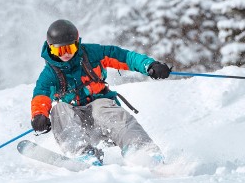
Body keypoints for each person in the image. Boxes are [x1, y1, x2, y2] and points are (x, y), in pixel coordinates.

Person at [30, 19, 171, 167]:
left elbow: (124, 57)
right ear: (51, 48)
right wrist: (39, 115)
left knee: (101, 107)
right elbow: (42, 93)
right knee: (59, 110)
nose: (65, 54)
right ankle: (83, 155)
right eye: (59, 50)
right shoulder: (49, 74)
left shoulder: (92, 54)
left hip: (104, 117)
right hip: (76, 123)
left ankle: (142, 149)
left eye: (69, 48)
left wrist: (149, 65)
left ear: (77, 43)